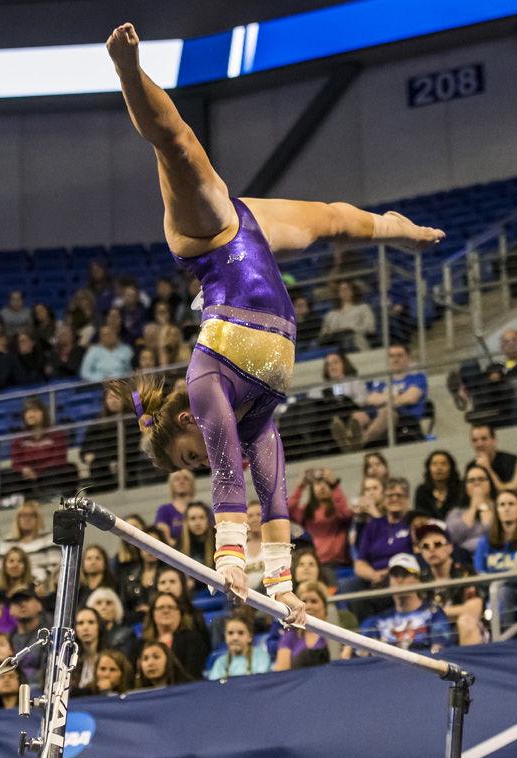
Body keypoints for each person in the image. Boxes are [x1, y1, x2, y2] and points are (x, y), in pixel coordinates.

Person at [104, 21, 443, 625]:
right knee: (331, 219)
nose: (201, 464)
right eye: (195, 467)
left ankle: (127, 70)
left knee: (178, 145)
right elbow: (271, 488)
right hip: (248, 239)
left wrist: (230, 555)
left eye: (188, 457)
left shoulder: (208, 388)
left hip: (208, 242)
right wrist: (282, 585)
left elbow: (228, 473)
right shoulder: (253, 412)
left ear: (186, 420)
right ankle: (391, 225)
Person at [340, 478, 413, 617]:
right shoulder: (373, 525)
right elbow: (360, 562)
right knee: (348, 586)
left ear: (407, 500)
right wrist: (374, 575)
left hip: (403, 574)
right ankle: (367, 631)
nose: (394, 499)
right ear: (384, 501)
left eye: (399, 495)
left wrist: (388, 573)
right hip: (375, 577)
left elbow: (417, 556)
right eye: (390, 496)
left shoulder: (411, 522)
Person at [474, 489, 517, 630]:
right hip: (492, 595)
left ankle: (505, 637)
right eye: (502, 504)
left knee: (504, 591)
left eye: (511, 504)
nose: (506, 508)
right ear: (497, 510)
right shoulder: (485, 543)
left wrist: (502, 579)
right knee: (500, 592)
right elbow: (480, 577)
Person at [362, 553, 452, 653]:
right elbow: (362, 656)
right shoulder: (377, 621)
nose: (399, 580)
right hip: (386, 667)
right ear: (389, 581)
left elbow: (440, 649)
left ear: (418, 580)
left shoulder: (433, 613)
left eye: (405, 574)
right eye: (395, 575)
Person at [344, 343, 428, 448]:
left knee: (386, 411)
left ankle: (360, 442)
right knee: (358, 415)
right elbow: (370, 399)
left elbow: (411, 398)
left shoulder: (417, 377)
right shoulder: (382, 381)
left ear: (408, 357)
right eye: (392, 356)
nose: (395, 359)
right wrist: (396, 397)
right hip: (377, 416)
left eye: (399, 355)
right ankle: (346, 441)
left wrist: (383, 398)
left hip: (405, 417)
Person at [416, 521, 485, 645]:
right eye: (425, 546)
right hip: (432, 634)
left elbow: (474, 610)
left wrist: (435, 615)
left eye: (437, 544)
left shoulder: (466, 572)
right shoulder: (420, 579)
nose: (431, 549)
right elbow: (415, 616)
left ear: (450, 547)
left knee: (466, 621)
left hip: (462, 630)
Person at [274, 581, 352, 670]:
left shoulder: (336, 635)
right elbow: (281, 674)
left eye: (314, 601)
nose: (308, 606)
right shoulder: (289, 637)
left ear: (325, 609)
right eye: (304, 601)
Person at [9, 399, 78, 500]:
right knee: (8, 475)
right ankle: (16, 500)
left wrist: (37, 472)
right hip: (28, 477)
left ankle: (55, 495)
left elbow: (60, 459)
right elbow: (16, 462)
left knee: (69, 468)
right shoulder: (18, 439)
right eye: (28, 412)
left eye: (35, 411)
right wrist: (23, 469)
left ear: (44, 413)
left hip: (49, 474)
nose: (31, 415)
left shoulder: (57, 434)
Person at [288, 468, 353, 566]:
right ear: (312, 488)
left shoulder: (338, 507)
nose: (322, 487)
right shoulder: (307, 510)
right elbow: (286, 511)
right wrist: (300, 486)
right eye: (318, 484)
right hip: (315, 563)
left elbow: (346, 514)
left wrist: (335, 485)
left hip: (339, 562)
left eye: (326, 484)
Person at [141, 591, 207, 680]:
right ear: (153, 614)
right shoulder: (142, 643)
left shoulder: (193, 639)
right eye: (160, 608)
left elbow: (193, 673)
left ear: (179, 612)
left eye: (171, 607)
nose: (166, 611)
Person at [0, 501, 59, 582]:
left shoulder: (49, 538)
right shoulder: (7, 541)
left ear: (38, 518)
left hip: (42, 583)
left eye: (31, 515)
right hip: (13, 583)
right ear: (17, 519)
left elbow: (56, 565)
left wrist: (39, 582)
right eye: (23, 515)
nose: (27, 519)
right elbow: (0, 568)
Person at [445, 465, 496, 558]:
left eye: (481, 479)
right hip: (465, 557)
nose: (476, 483)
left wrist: (483, 507)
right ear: (465, 486)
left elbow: (492, 530)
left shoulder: (500, 506)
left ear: (490, 483)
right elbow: (454, 536)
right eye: (471, 480)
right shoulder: (455, 513)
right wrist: (473, 507)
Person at [207, 608, 271, 680]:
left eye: (241, 633)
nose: (235, 638)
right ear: (225, 636)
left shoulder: (261, 657)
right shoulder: (220, 663)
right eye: (230, 633)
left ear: (250, 637)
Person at [8, 587, 51, 685]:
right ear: (10, 610)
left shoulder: (49, 634)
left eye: (27, 600)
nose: (22, 604)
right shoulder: (8, 639)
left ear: (39, 605)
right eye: (16, 602)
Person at [319, 279, 375, 351]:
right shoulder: (330, 314)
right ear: (338, 294)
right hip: (335, 342)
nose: (345, 292)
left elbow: (370, 328)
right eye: (342, 290)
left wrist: (351, 329)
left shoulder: (363, 308)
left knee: (349, 339)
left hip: (356, 341)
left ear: (353, 291)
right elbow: (323, 334)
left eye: (347, 289)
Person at [86, 587, 135, 659]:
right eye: (98, 603)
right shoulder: (86, 634)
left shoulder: (126, 634)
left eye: (108, 603)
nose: (103, 607)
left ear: (117, 608)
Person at [414, 450, 463, 519]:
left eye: (443, 464)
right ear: (429, 468)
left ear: (451, 468)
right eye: (434, 464)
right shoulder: (422, 491)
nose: (439, 468)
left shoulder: (461, 488)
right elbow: (420, 517)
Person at [154, 469, 196, 545]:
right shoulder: (164, 510)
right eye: (177, 479)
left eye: (186, 479)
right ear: (171, 485)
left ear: (192, 484)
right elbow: (163, 538)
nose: (181, 482)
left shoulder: (199, 509)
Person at [71, 606, 107, 693]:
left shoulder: (109, 656)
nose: (85, 628)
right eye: (80, 623)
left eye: (91, 622)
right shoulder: (70, 659)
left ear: (99, 626)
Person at [176, 501, 215, 569]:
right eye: (193, 518)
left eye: (201, 517)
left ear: (208, 520)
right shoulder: (180, 544)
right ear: (186, 522)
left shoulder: (217, 541)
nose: (197, 523)